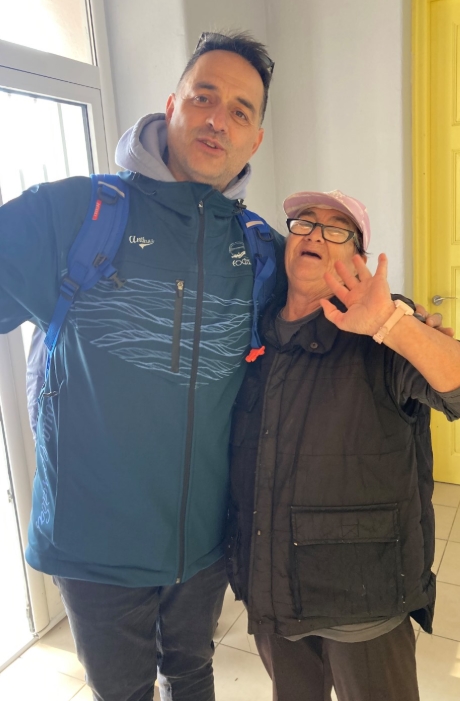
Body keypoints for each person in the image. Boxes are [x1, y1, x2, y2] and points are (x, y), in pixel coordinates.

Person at [0, 31, 283, 701]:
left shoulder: (258, 251)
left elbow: (323, 334)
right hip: (96, 545)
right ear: (172, 106)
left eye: (239, 110)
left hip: (202, 541)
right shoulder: (73, 212)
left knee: (192, 673)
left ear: (255, 140)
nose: (217, 120)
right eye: (203, 98)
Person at [226, 188, 460, 701]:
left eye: (336, 229)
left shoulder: (385, 330)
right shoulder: (253, 331)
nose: (315, 234)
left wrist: (392, 326)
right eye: (304, 222)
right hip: (271, 589)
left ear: (357, 258)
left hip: (363, 600)